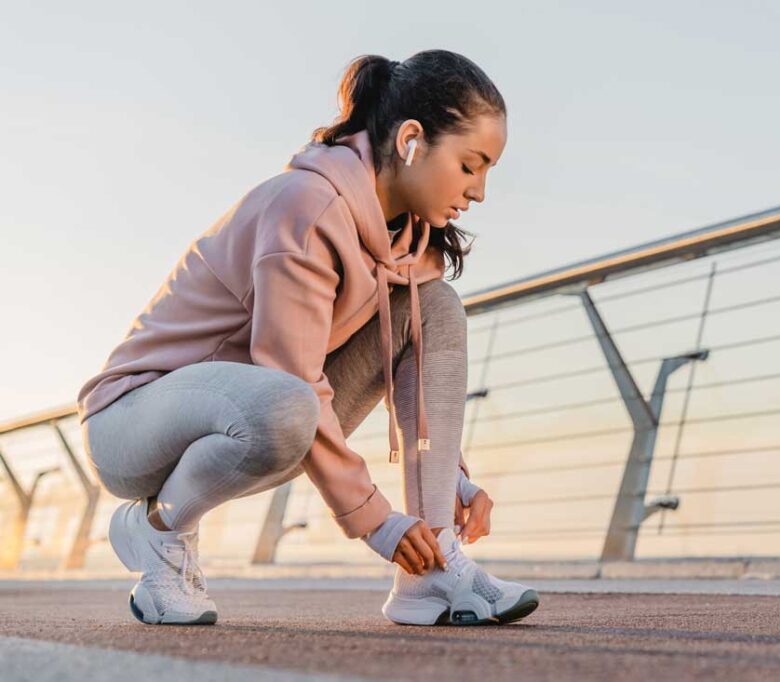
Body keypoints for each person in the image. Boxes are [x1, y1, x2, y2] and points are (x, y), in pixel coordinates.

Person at [77, 49, 540, 627]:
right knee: (289, 402)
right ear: (412, 140)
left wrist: (452, 483)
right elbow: (291, 374)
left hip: (253, 411)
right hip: (133, 419)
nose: (479, 192)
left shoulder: (409, 246)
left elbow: (405, 383)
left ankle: (432, 569)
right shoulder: (306, 206)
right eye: (471, 165)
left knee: (436, 307)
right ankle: (156, 528)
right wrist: (376, 521)